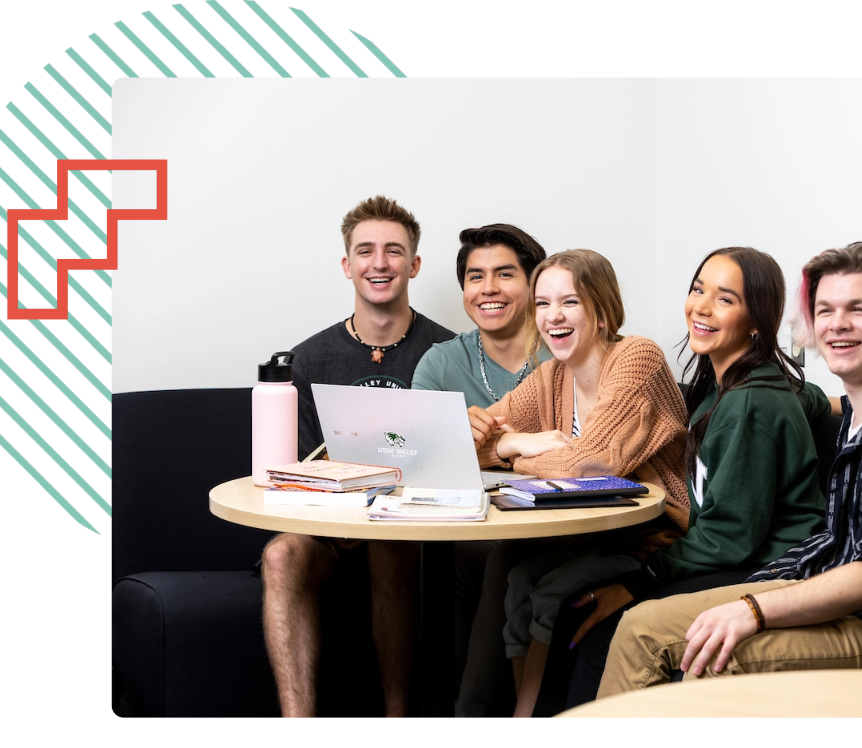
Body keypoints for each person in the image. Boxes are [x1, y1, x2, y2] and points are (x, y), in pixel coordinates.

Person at [596, 242, 862, 697]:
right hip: (836, 590)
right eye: (825, 310)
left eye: (858, 309)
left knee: (701, 657)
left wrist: (753, 610)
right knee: (639, 627)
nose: (837, 324)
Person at [536, 247, 832, 713]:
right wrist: (839, 403)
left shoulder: (749, 403)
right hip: (733, 556)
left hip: (770, 569)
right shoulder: (731, 384)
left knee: (597, 630)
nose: (701, 307)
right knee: (574, 608)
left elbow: (728, 538)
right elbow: (807, 395)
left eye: (725, 299)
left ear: (757, 321)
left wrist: (641, 579)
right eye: (698, 290)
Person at [467, 249, 689, 717]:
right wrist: (513, 443)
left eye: (569, 302)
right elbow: (471, 441)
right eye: (542, 304)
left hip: (653, 540)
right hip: (589, 535)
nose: (553, 316)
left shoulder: (637, 358)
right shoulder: (551, 376)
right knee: (518, 582)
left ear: (602, 310)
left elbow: (589, 466)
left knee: (550, 589)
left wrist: (515, 452)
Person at [260, 195, 455, 717]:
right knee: (279, 556)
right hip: (329, 530)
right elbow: (300, 472)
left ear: (414, 265)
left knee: (389, 544)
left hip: (411, 531)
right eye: (365, 251)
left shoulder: (447, 352)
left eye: (394, 251)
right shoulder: (308, 359)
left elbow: (455, 463)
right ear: (347, 265)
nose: (379, 263)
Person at [408, 224, 553, 717]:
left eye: (505, 274)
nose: (488, 288)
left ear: (534, 283)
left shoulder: (564, 347)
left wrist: (492, 448)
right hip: (469, 524)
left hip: (551, 523)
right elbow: (416, 461)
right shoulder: (441, 362)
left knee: (503, 559)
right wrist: (455, 439)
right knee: (441, 561)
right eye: (475, 277)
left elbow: (584, 451)